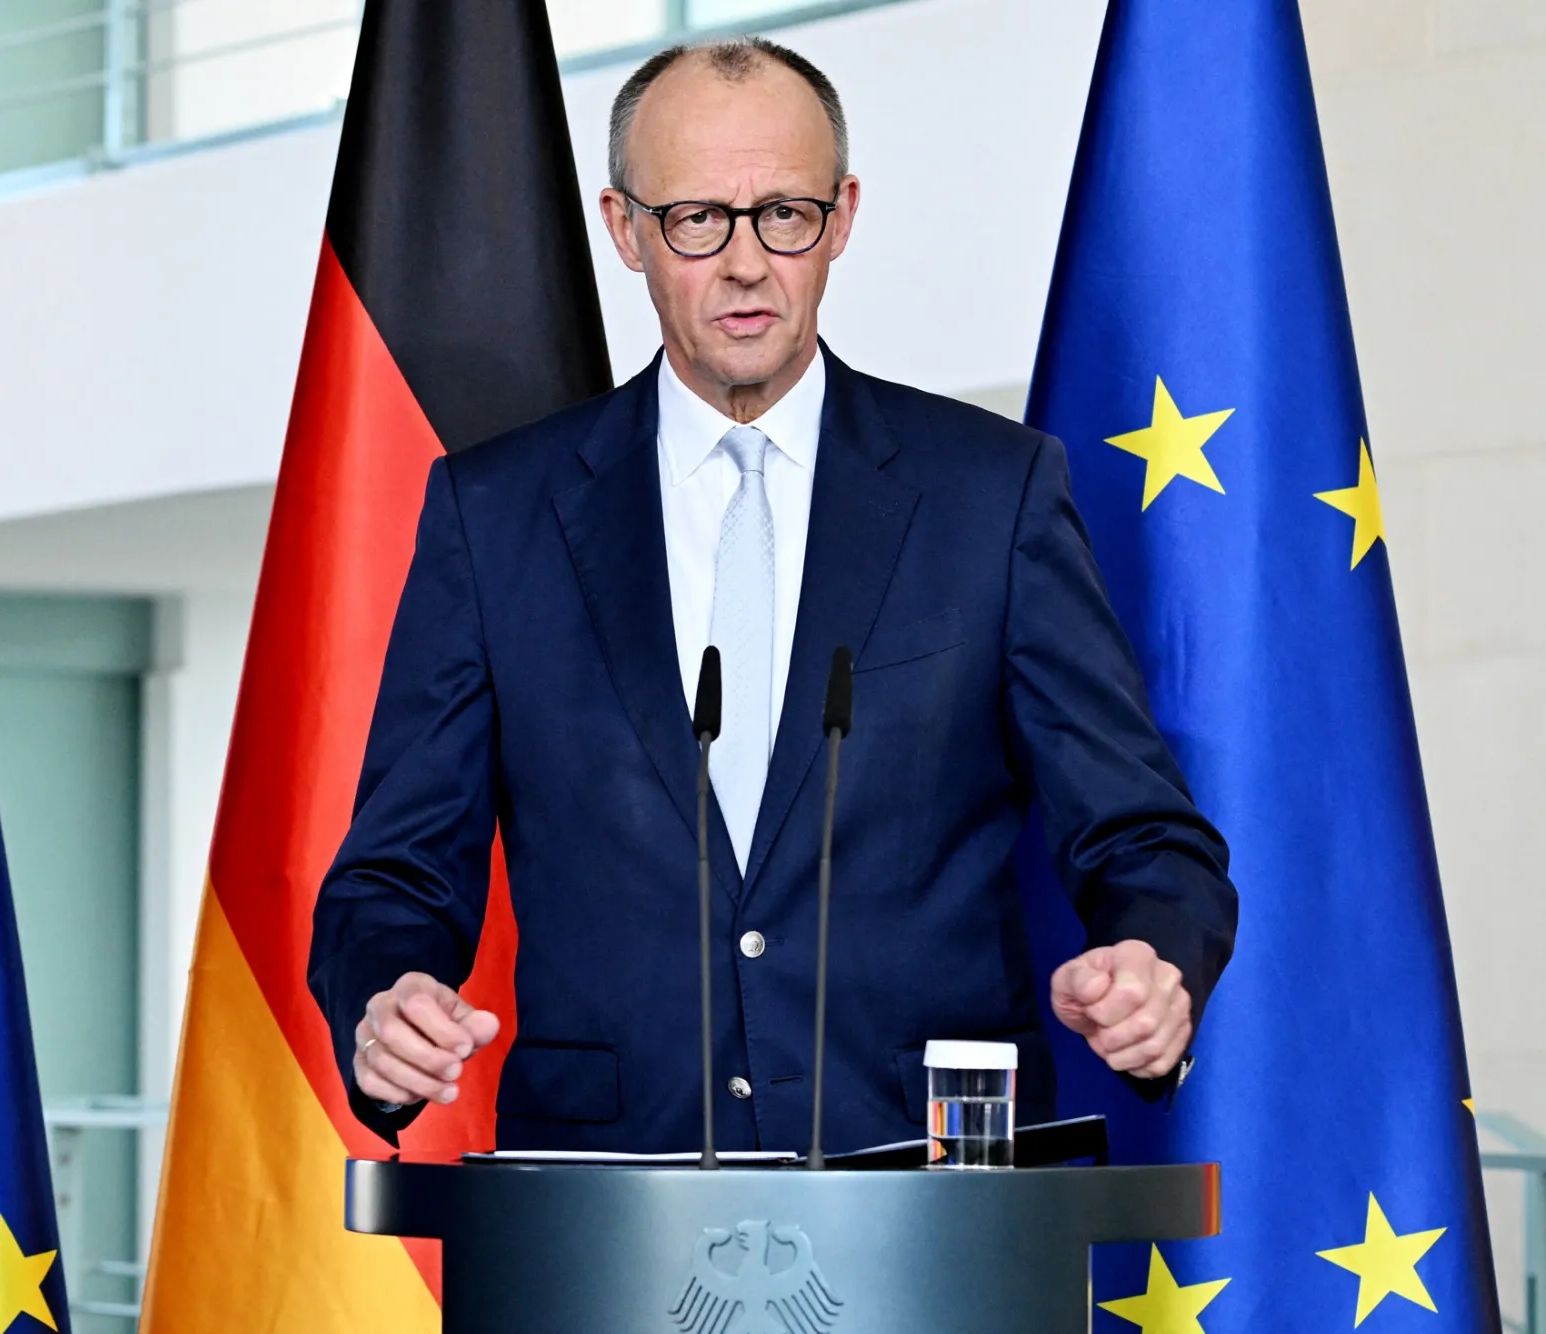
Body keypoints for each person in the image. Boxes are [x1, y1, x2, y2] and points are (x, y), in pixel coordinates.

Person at [309, 36, 1238, 1153]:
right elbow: (396, 867)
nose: (744, 262)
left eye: (783, 214)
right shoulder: (494, 513)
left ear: (840, 218)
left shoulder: (989, 494)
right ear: (624, 229)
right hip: (603, 1200)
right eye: (697, 218)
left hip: (929, 1189)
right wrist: (388, 991)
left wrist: (1150, 954)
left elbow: (1143, 835)